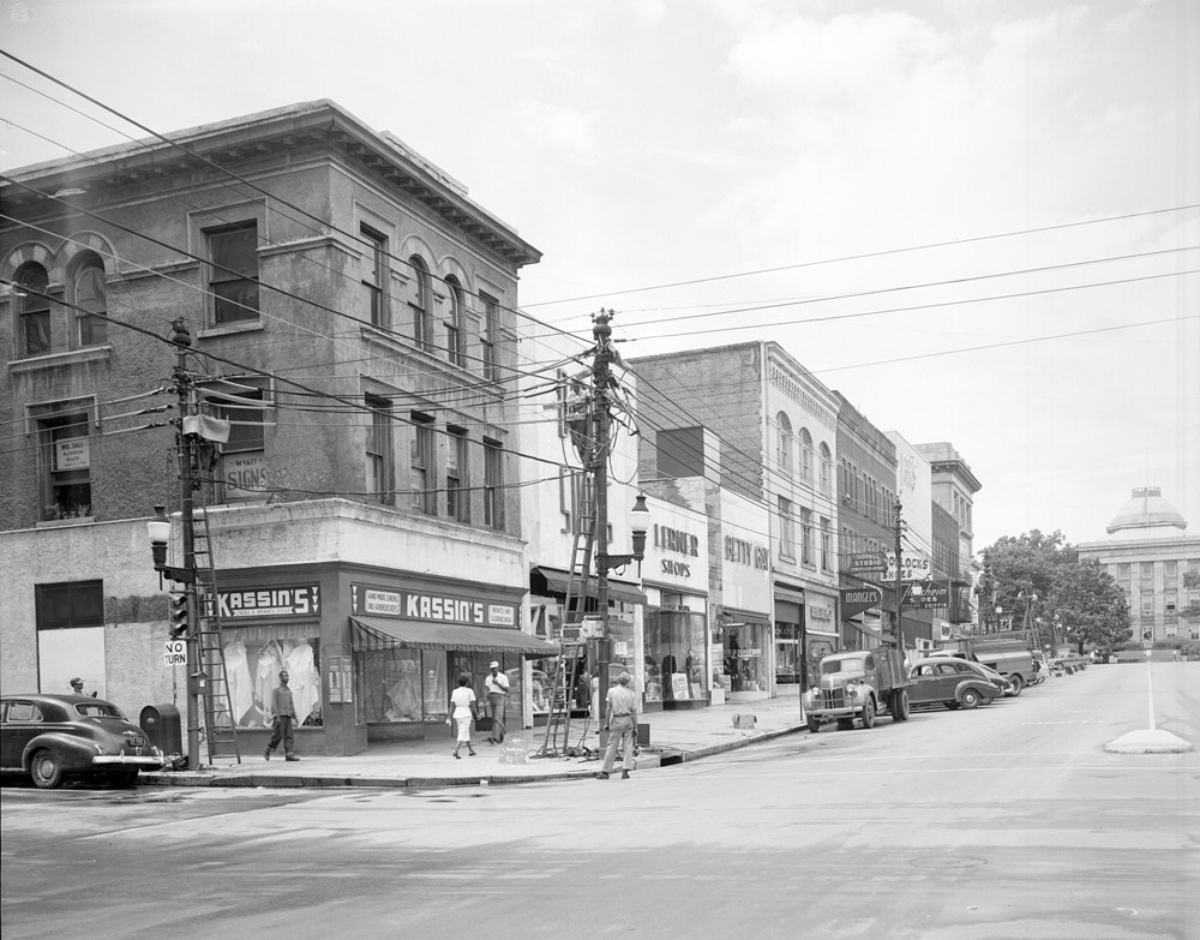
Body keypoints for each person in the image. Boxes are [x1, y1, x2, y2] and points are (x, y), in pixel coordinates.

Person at [599, 672, 638, 780]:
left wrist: (607, 723)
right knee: (628, 746)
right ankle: (625, 770)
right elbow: (634, 712)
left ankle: (605, 771)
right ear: (628, 682)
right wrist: (635, 727)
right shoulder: (632, 694)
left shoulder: (612, 691)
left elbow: (608, 708)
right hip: (628, 720)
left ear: (618, 680)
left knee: (612, 746)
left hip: (617, 720)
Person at [264, 670, 300, 761]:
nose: (286, 677)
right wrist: (277, 716)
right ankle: (269, 748)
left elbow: (291, 704)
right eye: (284, 676)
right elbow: (274, 704)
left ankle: (289, 754)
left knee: (289, 735)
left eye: (287, 675)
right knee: (278, 735)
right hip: (280, 716)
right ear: (280, 677)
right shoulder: (276, 691)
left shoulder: (288, 691)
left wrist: (295, 716)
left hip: (288, 715)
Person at [449, 674, 478, 759]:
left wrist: (449, 716)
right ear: (467, 683)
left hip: (457, 712)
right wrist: (476, 713)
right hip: (465, 712)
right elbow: (473, 704)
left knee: (464, 731)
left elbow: (452, 705)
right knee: (463, 732)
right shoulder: (469, 691)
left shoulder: (455, 691)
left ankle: (470, 750)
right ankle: (456, 749)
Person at [483, 661, 510, 744]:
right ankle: (503, 735)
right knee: (495, 718)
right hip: (491, 697)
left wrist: (497, 683)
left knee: (497, 717)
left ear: (498, 668)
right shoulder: (488, 678)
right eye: (492, 669)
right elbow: (486, 688)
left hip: (500, 697)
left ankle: (494, 737)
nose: (494, 670)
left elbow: (507, 689)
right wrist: (485, 697)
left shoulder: (503, 677)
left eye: (495, 668)